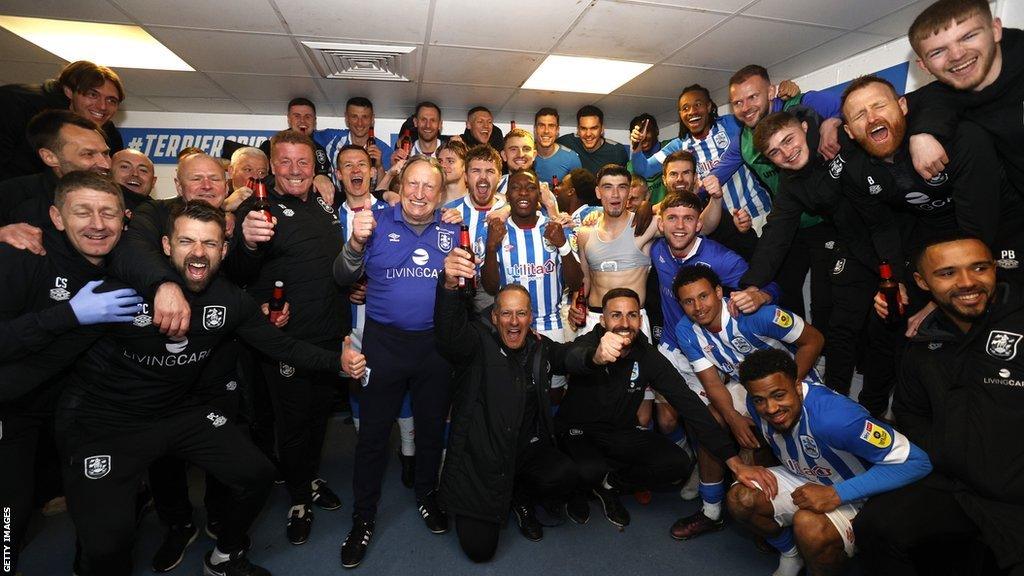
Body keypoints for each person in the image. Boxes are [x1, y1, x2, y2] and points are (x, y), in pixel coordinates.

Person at [3, 200, 358, 576]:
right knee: (108, 544)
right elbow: (46, 354)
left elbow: (281, 346)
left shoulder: (230, 300)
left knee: (256, 473)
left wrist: (337, 362)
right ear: (167, 246)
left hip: (178, 411)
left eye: (209, 243)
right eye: (187, 241)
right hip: (106, 422)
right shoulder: (119, 290)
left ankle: (226, 556)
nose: (199, 252)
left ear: (224, 250)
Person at [855, 233, 1024, 575]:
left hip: (1016, 497)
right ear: (922, 282)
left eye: (979, 268)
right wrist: (947, 455)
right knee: (877, 526)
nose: (967, 283)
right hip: (957, 487)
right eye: (947, 273)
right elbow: (911, 412)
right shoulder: (923, 344)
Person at [0, 172, 141, 574]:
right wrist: (66, 316)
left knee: (105, 519)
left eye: (107, 213)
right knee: (11, 511)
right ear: (57, 218)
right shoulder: (22, 256)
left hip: (79, 408)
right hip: (14, 407)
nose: (97, 224)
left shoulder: (127, 262)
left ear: (124, 218)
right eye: (83, 212)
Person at [557, 288, 777, 528]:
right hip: (579, 431)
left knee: (677, 463)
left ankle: (610, 484)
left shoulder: (648, 355)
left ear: (641, 320)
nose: (624, 323)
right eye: (616, 315)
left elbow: (689, 404)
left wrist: (734, 462)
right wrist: (595, 357)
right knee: (589, 470)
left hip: (619, 432)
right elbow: (570, 358)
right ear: (603, 320)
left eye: (631, 315)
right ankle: (583, 486)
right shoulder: (591, 342)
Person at [333, 155, 459, 568]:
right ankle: (363, 519)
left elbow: (465, 290)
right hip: (383, 346)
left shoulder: (452, 228)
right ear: (399, 187)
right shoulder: (374, 221)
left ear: (440, 194)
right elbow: (342, 277)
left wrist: (461, 279)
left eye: (429, 187)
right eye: (412, 185)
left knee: (428, 432)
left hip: (433, 349)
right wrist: (354, 242)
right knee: (372, 438)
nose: (419, 194)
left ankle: (426, 496)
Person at [742, 109, 905, 408]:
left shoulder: (837, 137)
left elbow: (865, 115)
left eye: (789, 140)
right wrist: (752, 285)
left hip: (901, 239)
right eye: (775, 152)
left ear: (805, 128)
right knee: (840, 328)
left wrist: (834, 123)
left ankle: (876, 408)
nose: (787, 153)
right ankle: (837, 405)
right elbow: (776, 236)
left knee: (886, 333)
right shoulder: (790, 185)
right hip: (854, 248)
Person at [233, 131, 349, 545]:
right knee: (294, 423)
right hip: (288, 341)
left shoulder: (320, 201)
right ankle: (299, 498)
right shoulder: (258, 210)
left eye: (304, 162)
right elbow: (239, 271)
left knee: (319, 416)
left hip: (328, 334)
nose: (296, 170)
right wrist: (245, 243)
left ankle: (310, 477)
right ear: (271, 166)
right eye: (286, 162)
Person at [726, 349, 931, 576]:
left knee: (810, 527)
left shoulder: (835, 418)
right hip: (805, 475)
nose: (771, 408)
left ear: (797, 386)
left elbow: (918, 462)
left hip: (858, 492)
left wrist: (836, 494)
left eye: (778, 395)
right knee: (740, 499)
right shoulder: (755, 402)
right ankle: (792, 554)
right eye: (759, 400)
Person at [436, 250, 582, 560]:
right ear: (493, 317)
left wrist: (597, 351)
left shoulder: (538, 346)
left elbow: (569, 356)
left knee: (566, 473)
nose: (514, 322)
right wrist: (448, 287)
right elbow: (448, 335)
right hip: (481, 459)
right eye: (506, 314)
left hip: (524, 450)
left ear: (530, 318)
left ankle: (521, 497)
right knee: (479, 551)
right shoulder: (475, 343)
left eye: (521, 314)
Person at [670, 265, 824, 540]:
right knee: (711, 420)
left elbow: (814, 340)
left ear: (719, 292)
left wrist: (787, 389)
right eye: (688, 301)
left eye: (703, 296)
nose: (698, 307)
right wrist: (732, 417)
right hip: (746, 387)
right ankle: (711, 511)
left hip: (795, 384)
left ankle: (780, 513)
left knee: (807, 447)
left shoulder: (755, 314)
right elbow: (713, 382)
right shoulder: (686, 329)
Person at [840, 74, 1024, 278]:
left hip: (1002, 223)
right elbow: (882, 227)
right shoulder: (854, 172)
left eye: (879, 105)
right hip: (936, 233)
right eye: (860, 115)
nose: (872, 118)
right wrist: (895, 279)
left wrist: (958, 273)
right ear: (849, 131)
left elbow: (979, 216)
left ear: (902, 106)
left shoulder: (960, 139)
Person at [705, 65, 842, 328]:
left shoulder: (802, 103)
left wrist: (832, 121)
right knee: (782, 290)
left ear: (770, 92)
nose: (745, 107)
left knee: (826, 300)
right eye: (737, 102)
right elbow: (717, 174)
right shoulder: (743, 141)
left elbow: (851, 106)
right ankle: (800, 350)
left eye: (753, 97)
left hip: (831, 222)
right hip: (789, 223)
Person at [335, 143, 416, 488]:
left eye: (362, 164)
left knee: (402, 384)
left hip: (391, 321)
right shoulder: (327, 217)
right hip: (349, 323)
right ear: (338, 175)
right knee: (358, 384)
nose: (356, 170)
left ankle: (409, 453)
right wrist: (347, 288)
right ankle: (367, 447)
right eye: (347, 165)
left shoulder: (396, 210)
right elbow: (327, 269)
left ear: (372, 172)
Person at [630, 84, 773, 258]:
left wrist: (783, 92)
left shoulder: (731, 125)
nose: (691, 111)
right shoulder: (678, 146)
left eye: (698, 104)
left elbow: (762, 117)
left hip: (758, 214)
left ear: (709, 107)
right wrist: (636, 148)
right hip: (719, 227)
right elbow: (643, 169)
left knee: (768, 273)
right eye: (685, 108)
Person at [904, 0, 1024, 196]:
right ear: (924, 66)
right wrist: (921, 135)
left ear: (995, 30)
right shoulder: (945, 94)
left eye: (968, 36)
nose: (957, 54)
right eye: (938, 51)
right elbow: (886, 106)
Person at [482, 169, 582, 391]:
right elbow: (490, 287)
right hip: (510, 326)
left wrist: (563, 245)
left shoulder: (554, 227)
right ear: (507, 196)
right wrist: (490, 248)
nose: (523, 193)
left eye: (530, 188)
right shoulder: (496, 230)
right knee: (512, 390)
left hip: (550, 324)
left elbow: (576, 283)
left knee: (554, 390)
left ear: (540, 194)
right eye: (516, 188)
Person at [0, 60, 124, 181]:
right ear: (69, 91)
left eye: (111, 100)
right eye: (92, 95)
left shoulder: (109, 136)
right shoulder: (15, 103)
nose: (102, 106)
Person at [0, 110, 112, 242]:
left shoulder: (120, 198)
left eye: (105, 154)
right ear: (50, 157)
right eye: (88, 154)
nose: (105, 164)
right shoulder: (12, 195)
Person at [444, 144, 506, 313]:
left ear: (500, 177)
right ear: (465, 176)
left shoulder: (511, 210)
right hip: (459, 292)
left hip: (498, 296)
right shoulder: (449, 212)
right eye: (476, 171)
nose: (483, 177)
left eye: (490, 171)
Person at [258, 98, 335, 205]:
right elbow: (258, 178)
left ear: (315, 120)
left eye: (308, 117)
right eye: (297, 116)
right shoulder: (270, 146)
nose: (302, 121)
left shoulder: (319, 150)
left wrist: (322, 177)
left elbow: (322, 180)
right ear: (289, 119)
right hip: (274, 203)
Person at [317, 97, 394, 185]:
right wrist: (319, 176)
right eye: (354, 117)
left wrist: (379, 166)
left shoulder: (384, 151)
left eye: (365, 117)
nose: (360, 123)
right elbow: (303, 138)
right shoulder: (331, 138)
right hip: (338, 198)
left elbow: (384, 192)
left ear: (372, 119)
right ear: (346, 118)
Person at [557, 105, 628, 174]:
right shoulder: (567, 142)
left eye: (594, 128)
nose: (588, 134)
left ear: (602, 129)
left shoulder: (617, 151)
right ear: (578, 130)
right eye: (583, 128)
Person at [533, 107, 582, 185]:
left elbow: (578, 192)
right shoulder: (525, 155)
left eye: (551, 126)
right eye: (541, 125)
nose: (546, 131)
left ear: (557, 130)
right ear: (535, 129)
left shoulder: (571, 158)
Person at [625, 113, 667, 203]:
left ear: (657, 131)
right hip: (644, 214)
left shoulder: (670, 149)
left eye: (647, 131)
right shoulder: (631, 166)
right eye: (638, 133)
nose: (642, 137)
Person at [109, 148, 157, 213]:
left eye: (143, 170)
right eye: (125, 167)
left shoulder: (162, 214)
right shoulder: (97, 203)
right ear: (109, 174)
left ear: (153, 182)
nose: (135, 174)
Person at [437, 139, 469, 206]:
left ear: (465, 166)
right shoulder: (432, 200)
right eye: (440, 161)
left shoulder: (477, 201)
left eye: (450, 161)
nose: (443, 165)